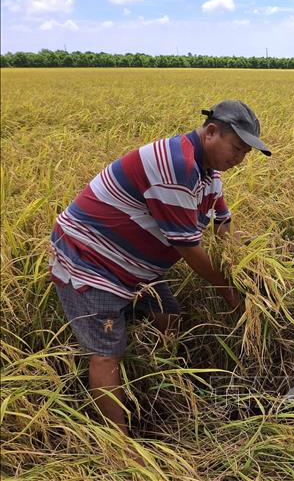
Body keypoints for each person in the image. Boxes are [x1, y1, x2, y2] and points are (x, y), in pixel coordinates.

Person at [49, 100, 271, 437]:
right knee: (107, 353)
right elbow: (188, 247)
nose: (240, 158)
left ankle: (159, 376)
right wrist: (229, 292)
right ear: (211, 132)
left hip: (134, 267)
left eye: (246, 153)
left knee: (168, 316)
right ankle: (119, 446)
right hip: (91, 261)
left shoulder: (209, 172)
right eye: (237, 148)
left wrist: (252, 269)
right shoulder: (177, 166)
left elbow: (223, 227)